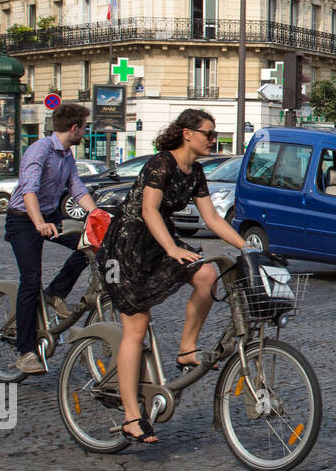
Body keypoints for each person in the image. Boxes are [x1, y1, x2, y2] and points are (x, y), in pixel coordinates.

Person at [96, 109, 249, 444]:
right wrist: (172, 248)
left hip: (161, 244)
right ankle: (131, 417)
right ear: (187, 133)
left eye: (214, 133)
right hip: (128, 247)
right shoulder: (160, 164)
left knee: (207, 275)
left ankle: (186, 349)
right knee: (135, 327)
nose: (213, 139)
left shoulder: (195, 171)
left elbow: (212, 219)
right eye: (209, 133)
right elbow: (149, 209)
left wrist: (248, 247)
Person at [5, 103, 96, 375]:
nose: (85, 132)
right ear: (74, 127)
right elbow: (29, 190)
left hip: (47, 217)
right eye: (84, 127)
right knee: (30, 281)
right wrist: (39, 224)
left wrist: (97, 215)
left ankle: (56, 292)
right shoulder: (39, 151)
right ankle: (25, 352)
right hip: (23, 219)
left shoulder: (67, 155)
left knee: (88, 245)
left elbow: (76, 188)